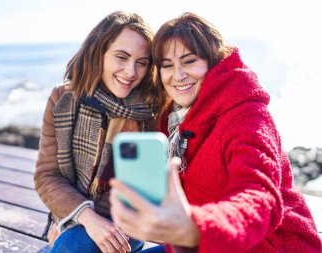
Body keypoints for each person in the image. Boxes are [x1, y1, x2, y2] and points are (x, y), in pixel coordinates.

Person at [110, 12, 322, 253]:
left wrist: (191, 228)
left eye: (189, 61)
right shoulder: (171, 121)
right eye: (167, 65)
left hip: (269, 246)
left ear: (213, 62)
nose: (177, 75)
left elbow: (259, 197)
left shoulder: (246, 114)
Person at [34, 11, 162, 253]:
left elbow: (137, 190)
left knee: (70, 245)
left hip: (125, 223)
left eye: (142, 62)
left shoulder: (151, 110)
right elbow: (47, 175)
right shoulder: (63, 99)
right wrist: (82, 217)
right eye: (121, 57)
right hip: (77, 218)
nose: (131, 72)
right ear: (98, 53)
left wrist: (75, 222)